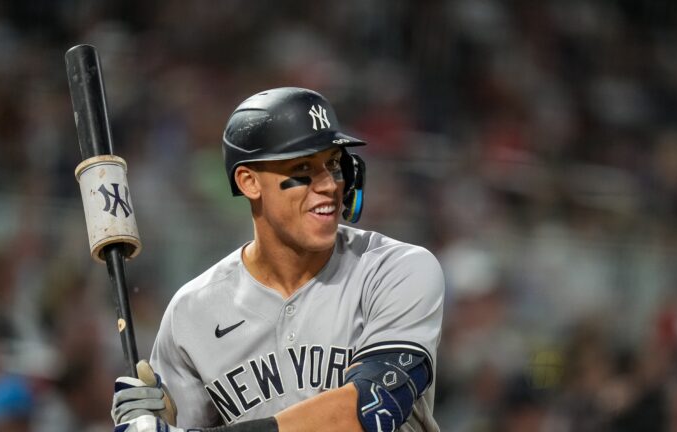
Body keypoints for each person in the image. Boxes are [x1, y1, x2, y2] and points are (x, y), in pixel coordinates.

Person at [111, 87, 445, 432]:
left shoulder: (396, 270)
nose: (329, 185)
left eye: (333, 164)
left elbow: (374, 408)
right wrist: (152, 422)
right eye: (303, 168)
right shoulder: (191, 312)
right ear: (249, 182)